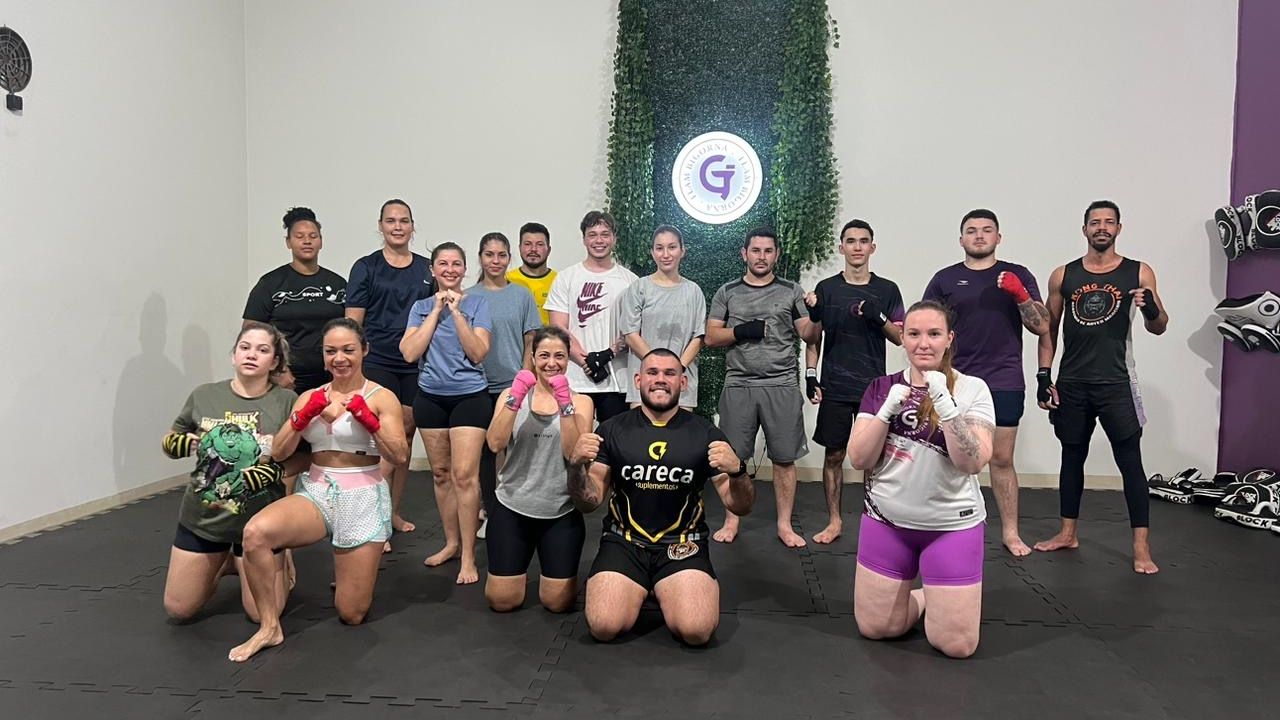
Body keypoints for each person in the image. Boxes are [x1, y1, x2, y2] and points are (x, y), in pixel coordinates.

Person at [229, 318, 409, 662]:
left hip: (362, 496)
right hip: (317, 490)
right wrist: (301, 417)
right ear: (323, 356)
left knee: (351, 613)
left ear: (364, 351)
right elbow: (279, 452)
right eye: (331, 351)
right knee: (255, 533)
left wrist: (369, 420)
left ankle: (347, 574)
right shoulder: (310, 397)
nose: (339, 358)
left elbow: (399, 455)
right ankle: (269, 627)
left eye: (348, 350)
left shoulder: (380, 396)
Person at [568, 349, 755, 645]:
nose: (660, 380)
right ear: (638, 380)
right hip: (624, 542)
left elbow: (740, 506)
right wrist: (576, 466)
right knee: (604, 626)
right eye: (652, 372)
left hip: (682, 543)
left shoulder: (706, 434)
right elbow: (588, 502)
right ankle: (643, 585)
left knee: (696, 631)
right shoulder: (613, 429)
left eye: (670, 373)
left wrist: (739, 471)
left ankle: (663, 585)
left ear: (683, 382)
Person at [846, 300, 996, 659]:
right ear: (903, 337)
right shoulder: (881, 388)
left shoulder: (973, 389)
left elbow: (973, 462)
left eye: (934, 334)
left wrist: (944, 403)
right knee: (877, 628)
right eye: (914, 334)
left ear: (949, 339)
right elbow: (859, 459)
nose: (923, 343)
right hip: (887, 522)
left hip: (950, 526)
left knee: (956, 646)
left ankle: (938, 595)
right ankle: (927, 595)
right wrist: (885, 413)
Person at [1033, 200, 1167, 574]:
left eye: (1109, 222)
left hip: (1117, 381)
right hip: (1073, 382)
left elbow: (1159, 326)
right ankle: (1067, 533)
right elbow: (1047, 329)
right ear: (1085, 229)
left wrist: (1150, 308)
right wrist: (1044, 376)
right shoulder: (1063, 275)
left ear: (1119, 228)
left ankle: (1141, 547)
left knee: (1130, 461)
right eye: (1095, 222)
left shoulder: (1139, 272)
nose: (1102, 227)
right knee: (1071, 456)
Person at [922, 209, 1050, 556]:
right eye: (972, 230)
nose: (979, 235)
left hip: (1004, 378)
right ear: (961, 239)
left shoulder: (1018, 274)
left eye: (986, 230)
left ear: (998, 237)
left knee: (1002, 459)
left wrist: (1020, 295)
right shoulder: (945, 279)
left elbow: (1041, 326)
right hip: (957, 380)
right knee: (947, 456)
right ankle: (942, 528)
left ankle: (1010, 532)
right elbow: (927, 326)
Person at [161, 322, 298, 623]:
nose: (251, 355)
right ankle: (223, 561)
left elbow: (304, 457)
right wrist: (176, 444)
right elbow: (171, 438)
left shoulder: (287, 402)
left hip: (260, 523)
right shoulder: (204, 395)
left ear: (274, 362)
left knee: (262, 614)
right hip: (204, 517)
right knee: (178, 609)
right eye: (244, 348)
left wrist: (273, 472)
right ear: (233, 355)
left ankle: (273, 558)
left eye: (262, 350)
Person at [705, 228, 816, 547]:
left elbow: (809, 334)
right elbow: (711, 336)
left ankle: (784, 525)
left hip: (781, 383)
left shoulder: (791, 291)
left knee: (784, 458)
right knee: (733, 456)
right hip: (739, 383)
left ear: (776, 255)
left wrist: (817, 314)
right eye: (756, 250)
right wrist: (741, 331)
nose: (762, 257)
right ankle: (731, 520)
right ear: (745, 254)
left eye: (768, 251)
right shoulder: (727, 291)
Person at [803, 219, 904, 544]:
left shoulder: (887, 290)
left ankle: (874, 520)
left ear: (872, 247)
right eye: (851, 241)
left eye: (863, 241)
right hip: (835, 385)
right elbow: (812, 338)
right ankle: (834, 521)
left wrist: (879, 316)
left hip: (873, 389)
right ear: (841, 247)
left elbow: (900, 337)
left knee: (872, 459)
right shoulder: (826, 289)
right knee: (834, 455)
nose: (857, 247)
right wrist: (810, 375)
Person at [484, 327, 594, 612]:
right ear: (532, 358)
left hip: (559, 509)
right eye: (544, 355)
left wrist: (565, 404)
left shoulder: (582, 402)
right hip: (512, 505)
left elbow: (573, 454)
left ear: (568, 359)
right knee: (502, 601)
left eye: (559, 356)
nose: (551, 363)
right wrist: (515, 398)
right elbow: (495, 443)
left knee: (557, 602)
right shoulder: (511, 395)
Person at [401, 242, 493, 584]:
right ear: (433, 270)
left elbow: (478, 352)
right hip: (430, 399)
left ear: (465, 269)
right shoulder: (421, 308)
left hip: (470, 398)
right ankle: (451, 544)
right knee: (441, 474)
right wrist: (436, 310)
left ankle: (468, 555)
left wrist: (456, 312)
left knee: (465, 475)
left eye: (456, 264)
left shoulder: (478, 304)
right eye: (443, 264)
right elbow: (410, 353)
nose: (450, 269)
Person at [345, 199, 435, 542]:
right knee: (381, 439)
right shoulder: (365, 267)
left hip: (413, 362)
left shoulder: (426, 269)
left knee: (405, 437)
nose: (398, 226)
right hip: (378, 360)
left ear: (413, 226)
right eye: (391, 221)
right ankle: (374, 520)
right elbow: (353, 323)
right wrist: (352, 365)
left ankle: (393, 511)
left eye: (404, 221)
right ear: (381, 225)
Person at [469, 232, 542, 534]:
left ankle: (518, 511)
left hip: (511, 385)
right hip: (476, 385)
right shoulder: (468, 296)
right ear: (481, 257)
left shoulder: (522, 295)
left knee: (516, 450)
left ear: (509, 258)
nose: (495, 261)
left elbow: (530, 340)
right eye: (489, 255)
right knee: (486, 453)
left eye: (501, 255)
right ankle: (489, 511)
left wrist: (523, 380)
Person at [544, 211, 638, 423]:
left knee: (614, 440)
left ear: (614, 238)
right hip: (575, 379)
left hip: (617, 380)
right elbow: (558, 328)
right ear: (584, 239)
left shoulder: (630, 281)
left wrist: (609, 353)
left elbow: (634, 328)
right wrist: (586, 362)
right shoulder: (566, 278)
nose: (599, 240)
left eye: (605, 234)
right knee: (574, 440)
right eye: (592, 234)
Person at [243, 207, 347, 393]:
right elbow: (251, 332)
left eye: (313, 236)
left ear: (321, 241)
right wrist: (279, 370)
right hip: (286, 378)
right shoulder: (270, 283)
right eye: (299, 236)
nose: (307, 241)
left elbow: (352, 330)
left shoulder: (338, 284)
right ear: (288, 242)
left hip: (333, 376)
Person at [620, 225, 707, 410]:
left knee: (681, 429)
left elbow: (699, 336)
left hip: (682, 385)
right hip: (645, 385)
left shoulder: (694, 291)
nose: (666, 254)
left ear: (682, 251)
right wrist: (657, 367)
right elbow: (630, 334)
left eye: (672, 247)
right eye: (659, 248)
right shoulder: (639, 288)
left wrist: (676, 370)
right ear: (652, 253)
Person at [507, 222, 557, 324]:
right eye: (527, 244)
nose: (533, 249)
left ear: (549, 250)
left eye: (540, 244)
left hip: (550, 334)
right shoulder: (506, 280)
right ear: (519, 248)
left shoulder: (559, 281)